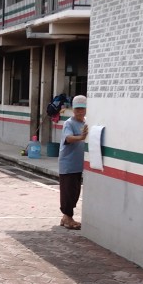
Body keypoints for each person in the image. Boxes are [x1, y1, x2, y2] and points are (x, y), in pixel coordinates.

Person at [58, 94, 89, 230]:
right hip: (68, 164)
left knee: (75, 191)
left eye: (82, 109)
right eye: (77, 109)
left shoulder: (86, 122)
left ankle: (66, 217)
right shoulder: (69, 123)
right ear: (73, 110)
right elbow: (68, 138)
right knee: (68, 191)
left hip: (79, 165)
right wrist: (81, 137)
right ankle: (68, 217)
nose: (80, 112)